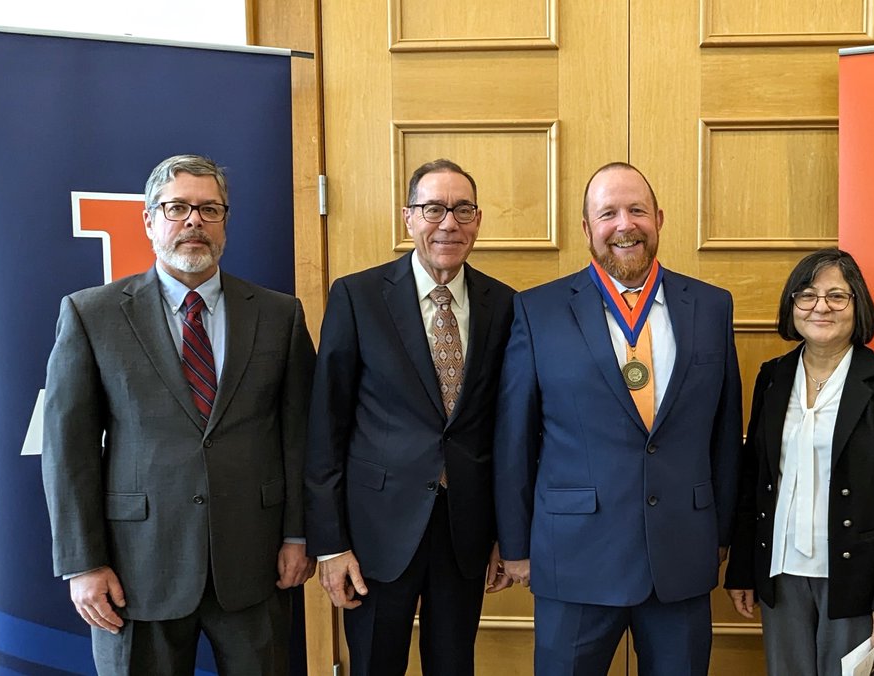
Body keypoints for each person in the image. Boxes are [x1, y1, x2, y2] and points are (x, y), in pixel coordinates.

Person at [41, 154, 316, 675]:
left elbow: (300, 434)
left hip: (255, 563)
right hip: (136, 567)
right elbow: (68, 449)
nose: (194, 221)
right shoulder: (91, 314)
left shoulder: (280, 314)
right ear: (149, 221)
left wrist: (298, 535)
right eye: (177, 208)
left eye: (209, 209)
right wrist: (83, 562)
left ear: (225, 222)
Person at [493, 161, 743, 676]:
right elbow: (514, 437)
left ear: (660, 219)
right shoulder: (537, 310)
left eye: (637, 210)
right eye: (607, 213)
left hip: (681, 554)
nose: (624, 225)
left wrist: (721, 534)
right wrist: (515, 544)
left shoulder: (712, 307)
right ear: (587, 228)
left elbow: (724, 430)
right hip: (575, 559)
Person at [305, 159, 515, 675]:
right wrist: (330, 544)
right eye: (434, 208)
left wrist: (507, 536)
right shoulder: (357, 297)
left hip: (464, 531)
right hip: (376, 532)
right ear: (408, 217)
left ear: (479, 219)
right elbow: (324, 427)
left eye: (462, 209)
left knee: (453, 665)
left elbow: (508, 429)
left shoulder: (505, 304)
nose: (449, 223)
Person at [724, 248, 874, 675]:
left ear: (858, 305)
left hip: (857, 580)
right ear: (792, 305)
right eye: (807, 294)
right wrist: (742, 569)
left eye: (837, 296)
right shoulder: (773, 376)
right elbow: (755, 476)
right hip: (780, 574)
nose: (821, 306)